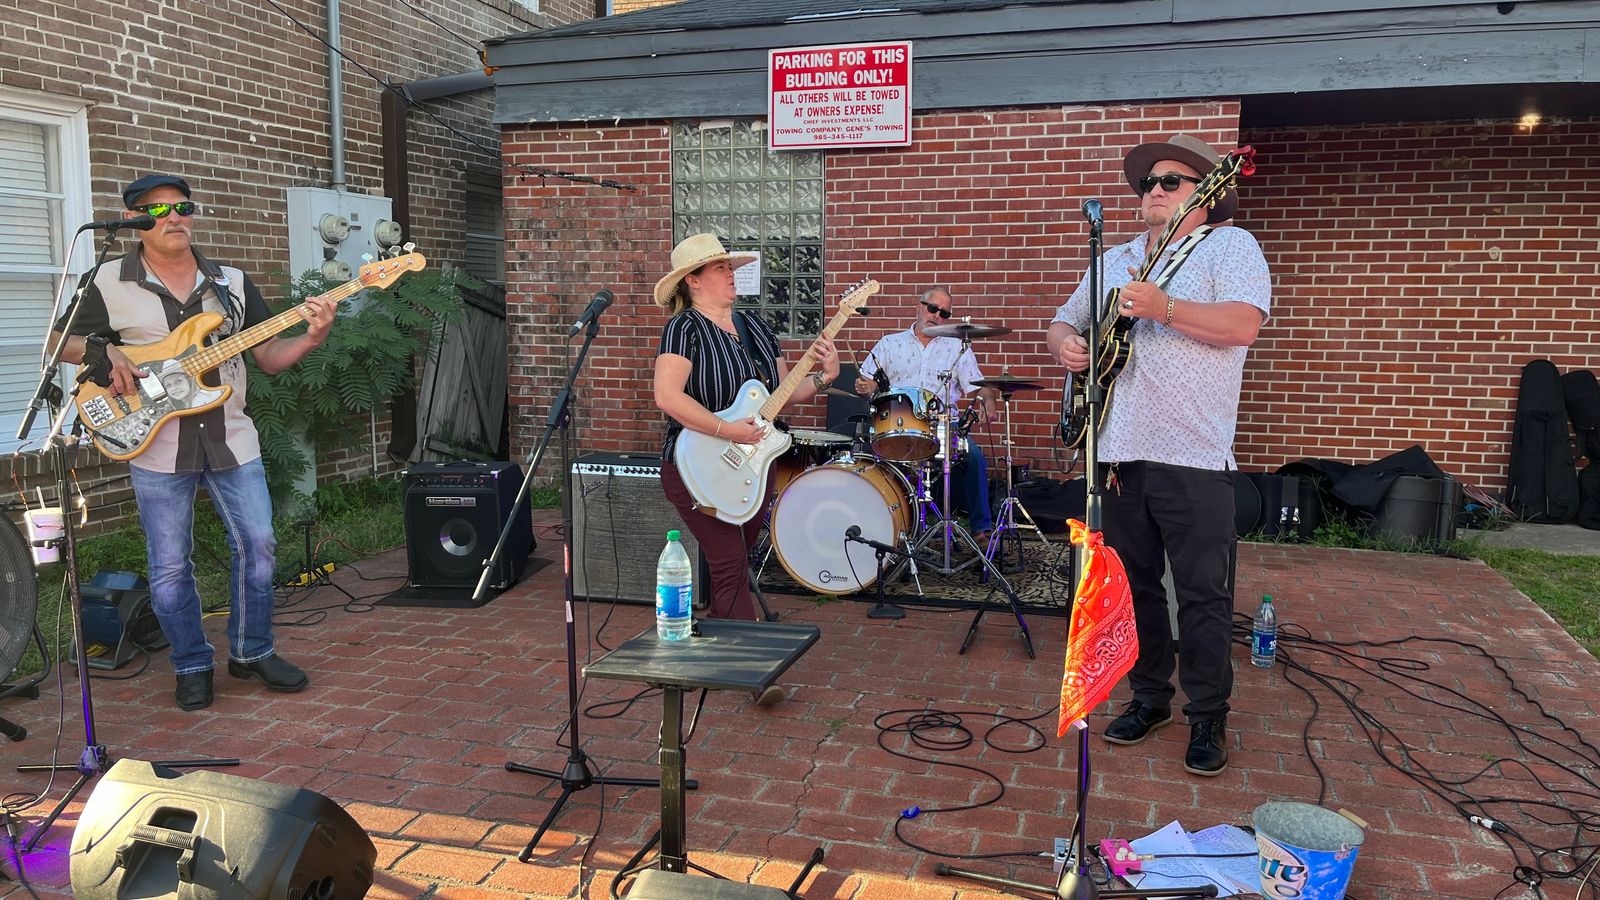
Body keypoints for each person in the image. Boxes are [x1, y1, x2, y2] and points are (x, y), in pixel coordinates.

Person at [52, 174, 338, 711]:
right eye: (159, 210)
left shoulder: (230, 282)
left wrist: (313, 335)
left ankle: (252, 650)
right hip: (155, 444)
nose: (175, 218)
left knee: (259, 547)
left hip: (232, 437)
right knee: (168, 566)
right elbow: (57, 342)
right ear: (136, 219)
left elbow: (269, 358)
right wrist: (103, 352)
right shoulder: (107, 280)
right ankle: (191, 663)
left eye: (183, 208)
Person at [1044, 135, 1271, 776]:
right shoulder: (1114, 260)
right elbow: (1061, 321)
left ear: (1206, 193)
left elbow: (1243, 326)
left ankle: (1208, 715)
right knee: (1135, 587)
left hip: (1193, 452)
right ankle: (1149, 697)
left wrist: (1164, 307)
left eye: (1171, 181)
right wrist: (1066, 346)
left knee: (1202, 595)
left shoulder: (1229, 246)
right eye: (1148, 182)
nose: (1154, 190)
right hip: (1117, 450)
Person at [652, 233, 840, 706]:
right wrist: (726, 429)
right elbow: (667, 396)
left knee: (737, 558)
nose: (730, 274)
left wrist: (823, 377)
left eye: (729, 267)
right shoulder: (684, 329)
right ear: (693, 281)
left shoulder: (755, 326)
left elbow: (782, 395)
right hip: (695, 463)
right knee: (729, 560)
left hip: (754, 465)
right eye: (719, 268)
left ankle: (716, 641)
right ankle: (753, 672)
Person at [854, 288, 998, 541]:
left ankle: (981, 529)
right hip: (897, 424)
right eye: (932, 309)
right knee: (868, 460)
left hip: (944, 426)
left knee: (974, 457)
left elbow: (979, 386)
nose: (936, 316)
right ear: (918, 306)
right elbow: (870, 384)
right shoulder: (890, 343)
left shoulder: (957, 347)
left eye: (944, 313)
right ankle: (879, 525)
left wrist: (989, 401)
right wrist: (866, 387)